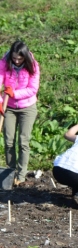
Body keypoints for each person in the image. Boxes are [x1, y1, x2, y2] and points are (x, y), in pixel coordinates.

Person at [0, 41, 40, 186]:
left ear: (25, 57)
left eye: (20, 58)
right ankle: (10, 174)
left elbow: (32, 89)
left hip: (27, 107)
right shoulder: (4, 63)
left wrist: (14, 93)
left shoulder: (33, 66)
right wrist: (0, 101)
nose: (16, 61)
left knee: (23, 141)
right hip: (8, 106)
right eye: (14, 58)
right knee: (8, 141)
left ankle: (21, 176)